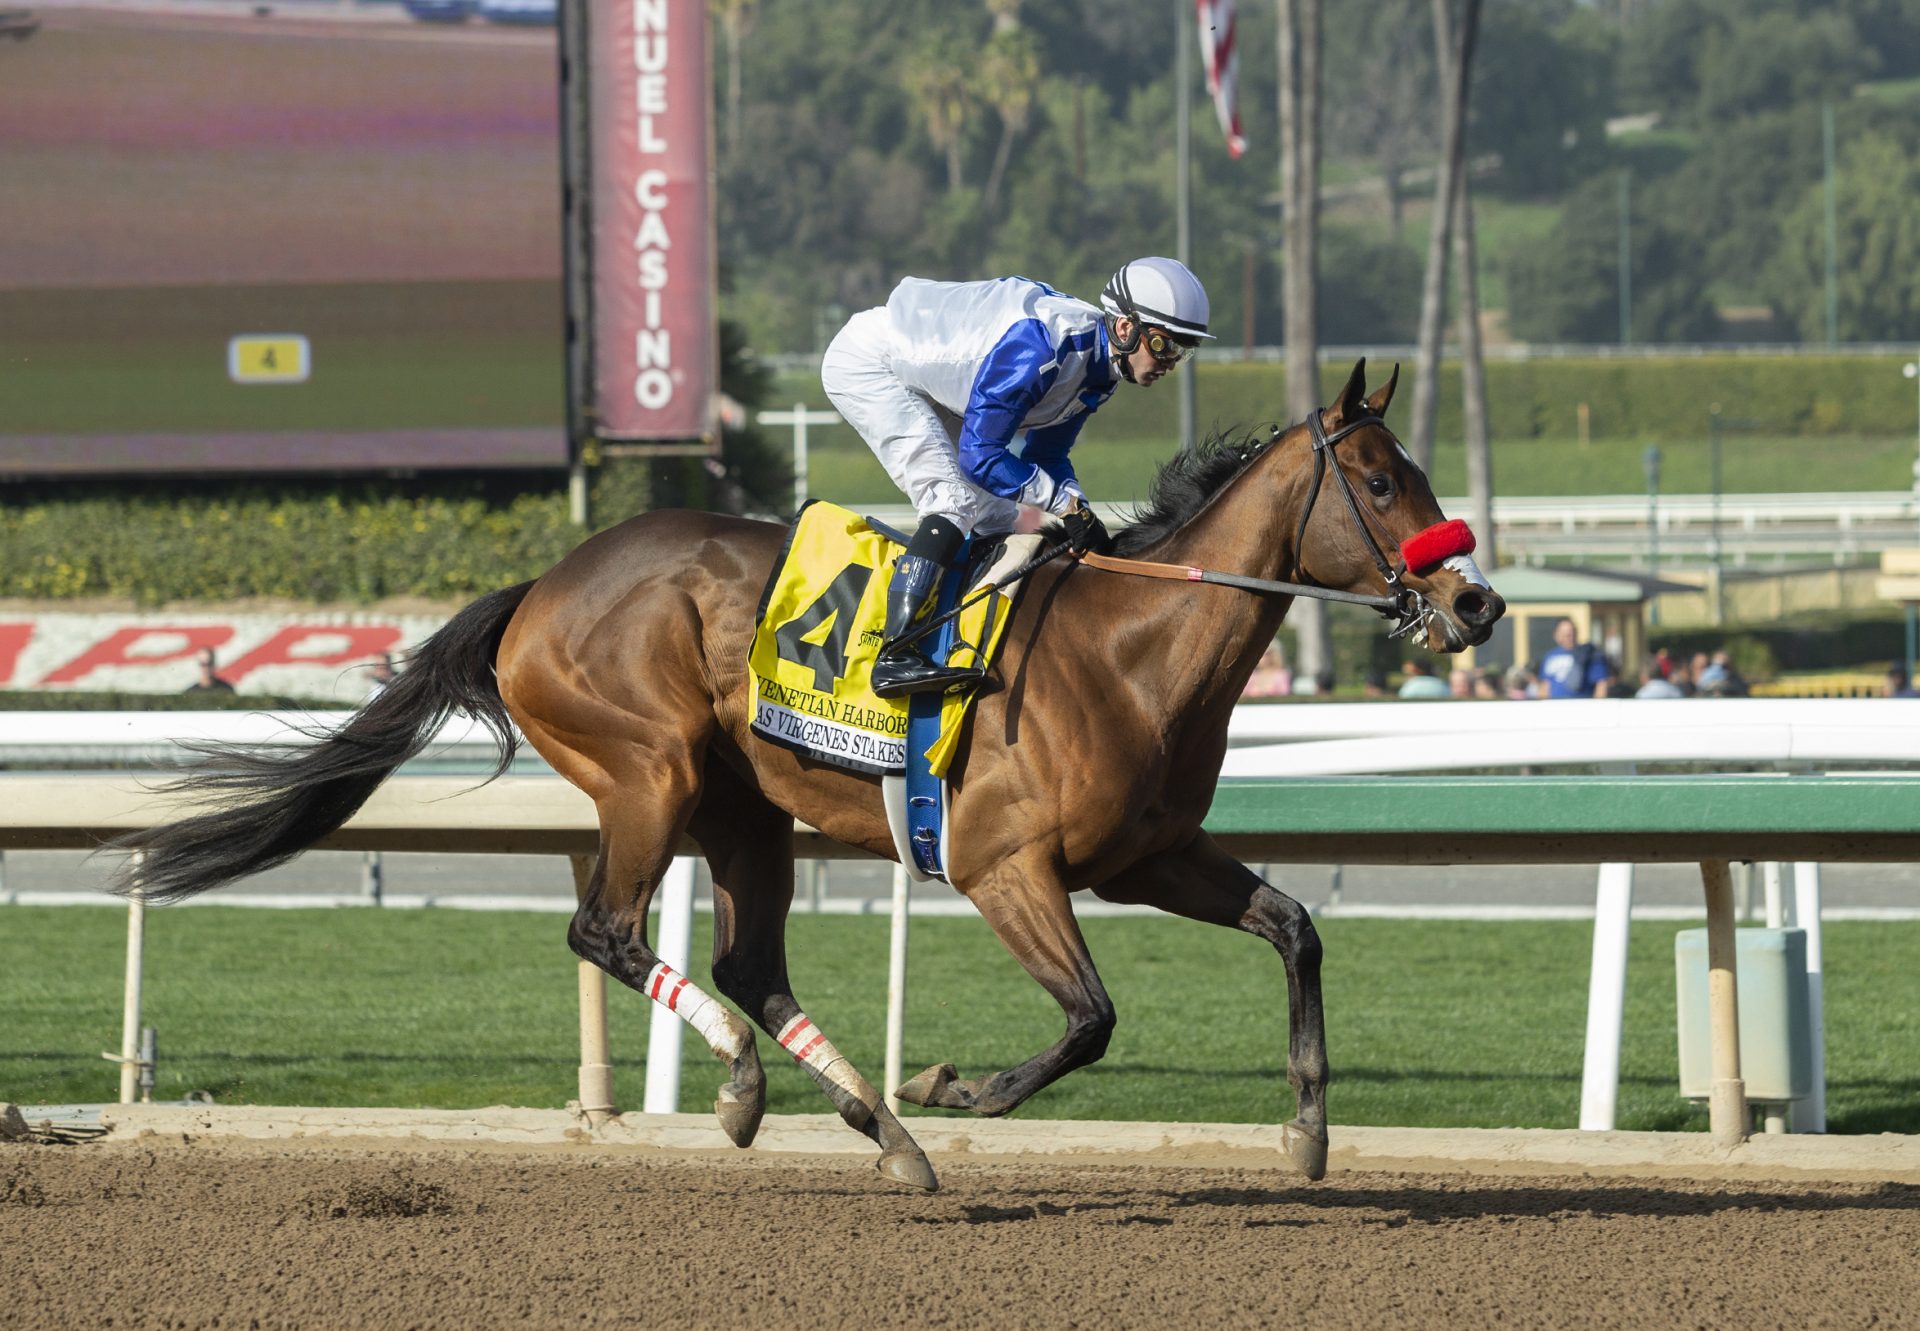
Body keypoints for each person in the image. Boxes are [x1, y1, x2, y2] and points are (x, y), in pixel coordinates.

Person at [822, 258, 1213, 696]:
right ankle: (894, 653)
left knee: (997, 517)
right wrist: (1062, 504)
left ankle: (966, 641)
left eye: (1182, 349)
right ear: (1125, 329)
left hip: (933, 384)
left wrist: (1076, 504)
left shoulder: (1100, 372)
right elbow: (980, 456)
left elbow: (1047, 453)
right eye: (1162, 344)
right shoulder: (1042, 349)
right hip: (871, 363)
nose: (1171, 362)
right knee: (953, 500)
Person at [1536, 618, 1612, 699]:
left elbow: (1601, 684)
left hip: (1580, 705)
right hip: (1555, 706)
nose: (1569, 636)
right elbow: (1545, 685)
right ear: (1556, 635)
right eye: (1565, 634)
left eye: (1571, 632)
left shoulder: (1590, 654)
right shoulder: (1550, 656)